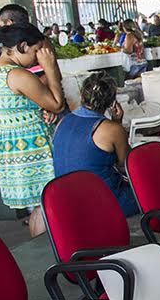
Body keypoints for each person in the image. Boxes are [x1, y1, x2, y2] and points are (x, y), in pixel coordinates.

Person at [0, 23, 65, 237]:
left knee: (40, 206)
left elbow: (20, 106)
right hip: (33, 151)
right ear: (23, 46)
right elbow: (57, 104)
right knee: (45, 205)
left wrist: (41, 109)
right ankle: (50, 256)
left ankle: (49, 253)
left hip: (14, 150)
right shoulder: (17, 75)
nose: (37, 57)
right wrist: (51, 68)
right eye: (36, 51)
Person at [52, 73, 137, 216]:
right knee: (154, 190)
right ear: (112, 102)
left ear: (81, 95)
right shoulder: (111, 129)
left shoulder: (62, 122)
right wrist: (118, 123)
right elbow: (127, 163)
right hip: (101, 201)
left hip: (66, 200)